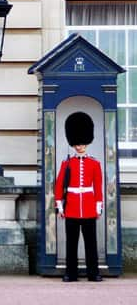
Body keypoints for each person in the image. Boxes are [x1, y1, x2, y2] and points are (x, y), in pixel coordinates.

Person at [54, 111, 103, 282]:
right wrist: (60, 206)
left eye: (81, 143)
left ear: (87, 143)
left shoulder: (95, 164)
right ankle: (71, 273)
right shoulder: (66, 163)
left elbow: (98, 186)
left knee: (91, 244)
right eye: (77, 144)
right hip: (72, 208)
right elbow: (59, 185)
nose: (79, 146)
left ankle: (93, 273)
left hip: (89, 207)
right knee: (71, 244)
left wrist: (98, 206)